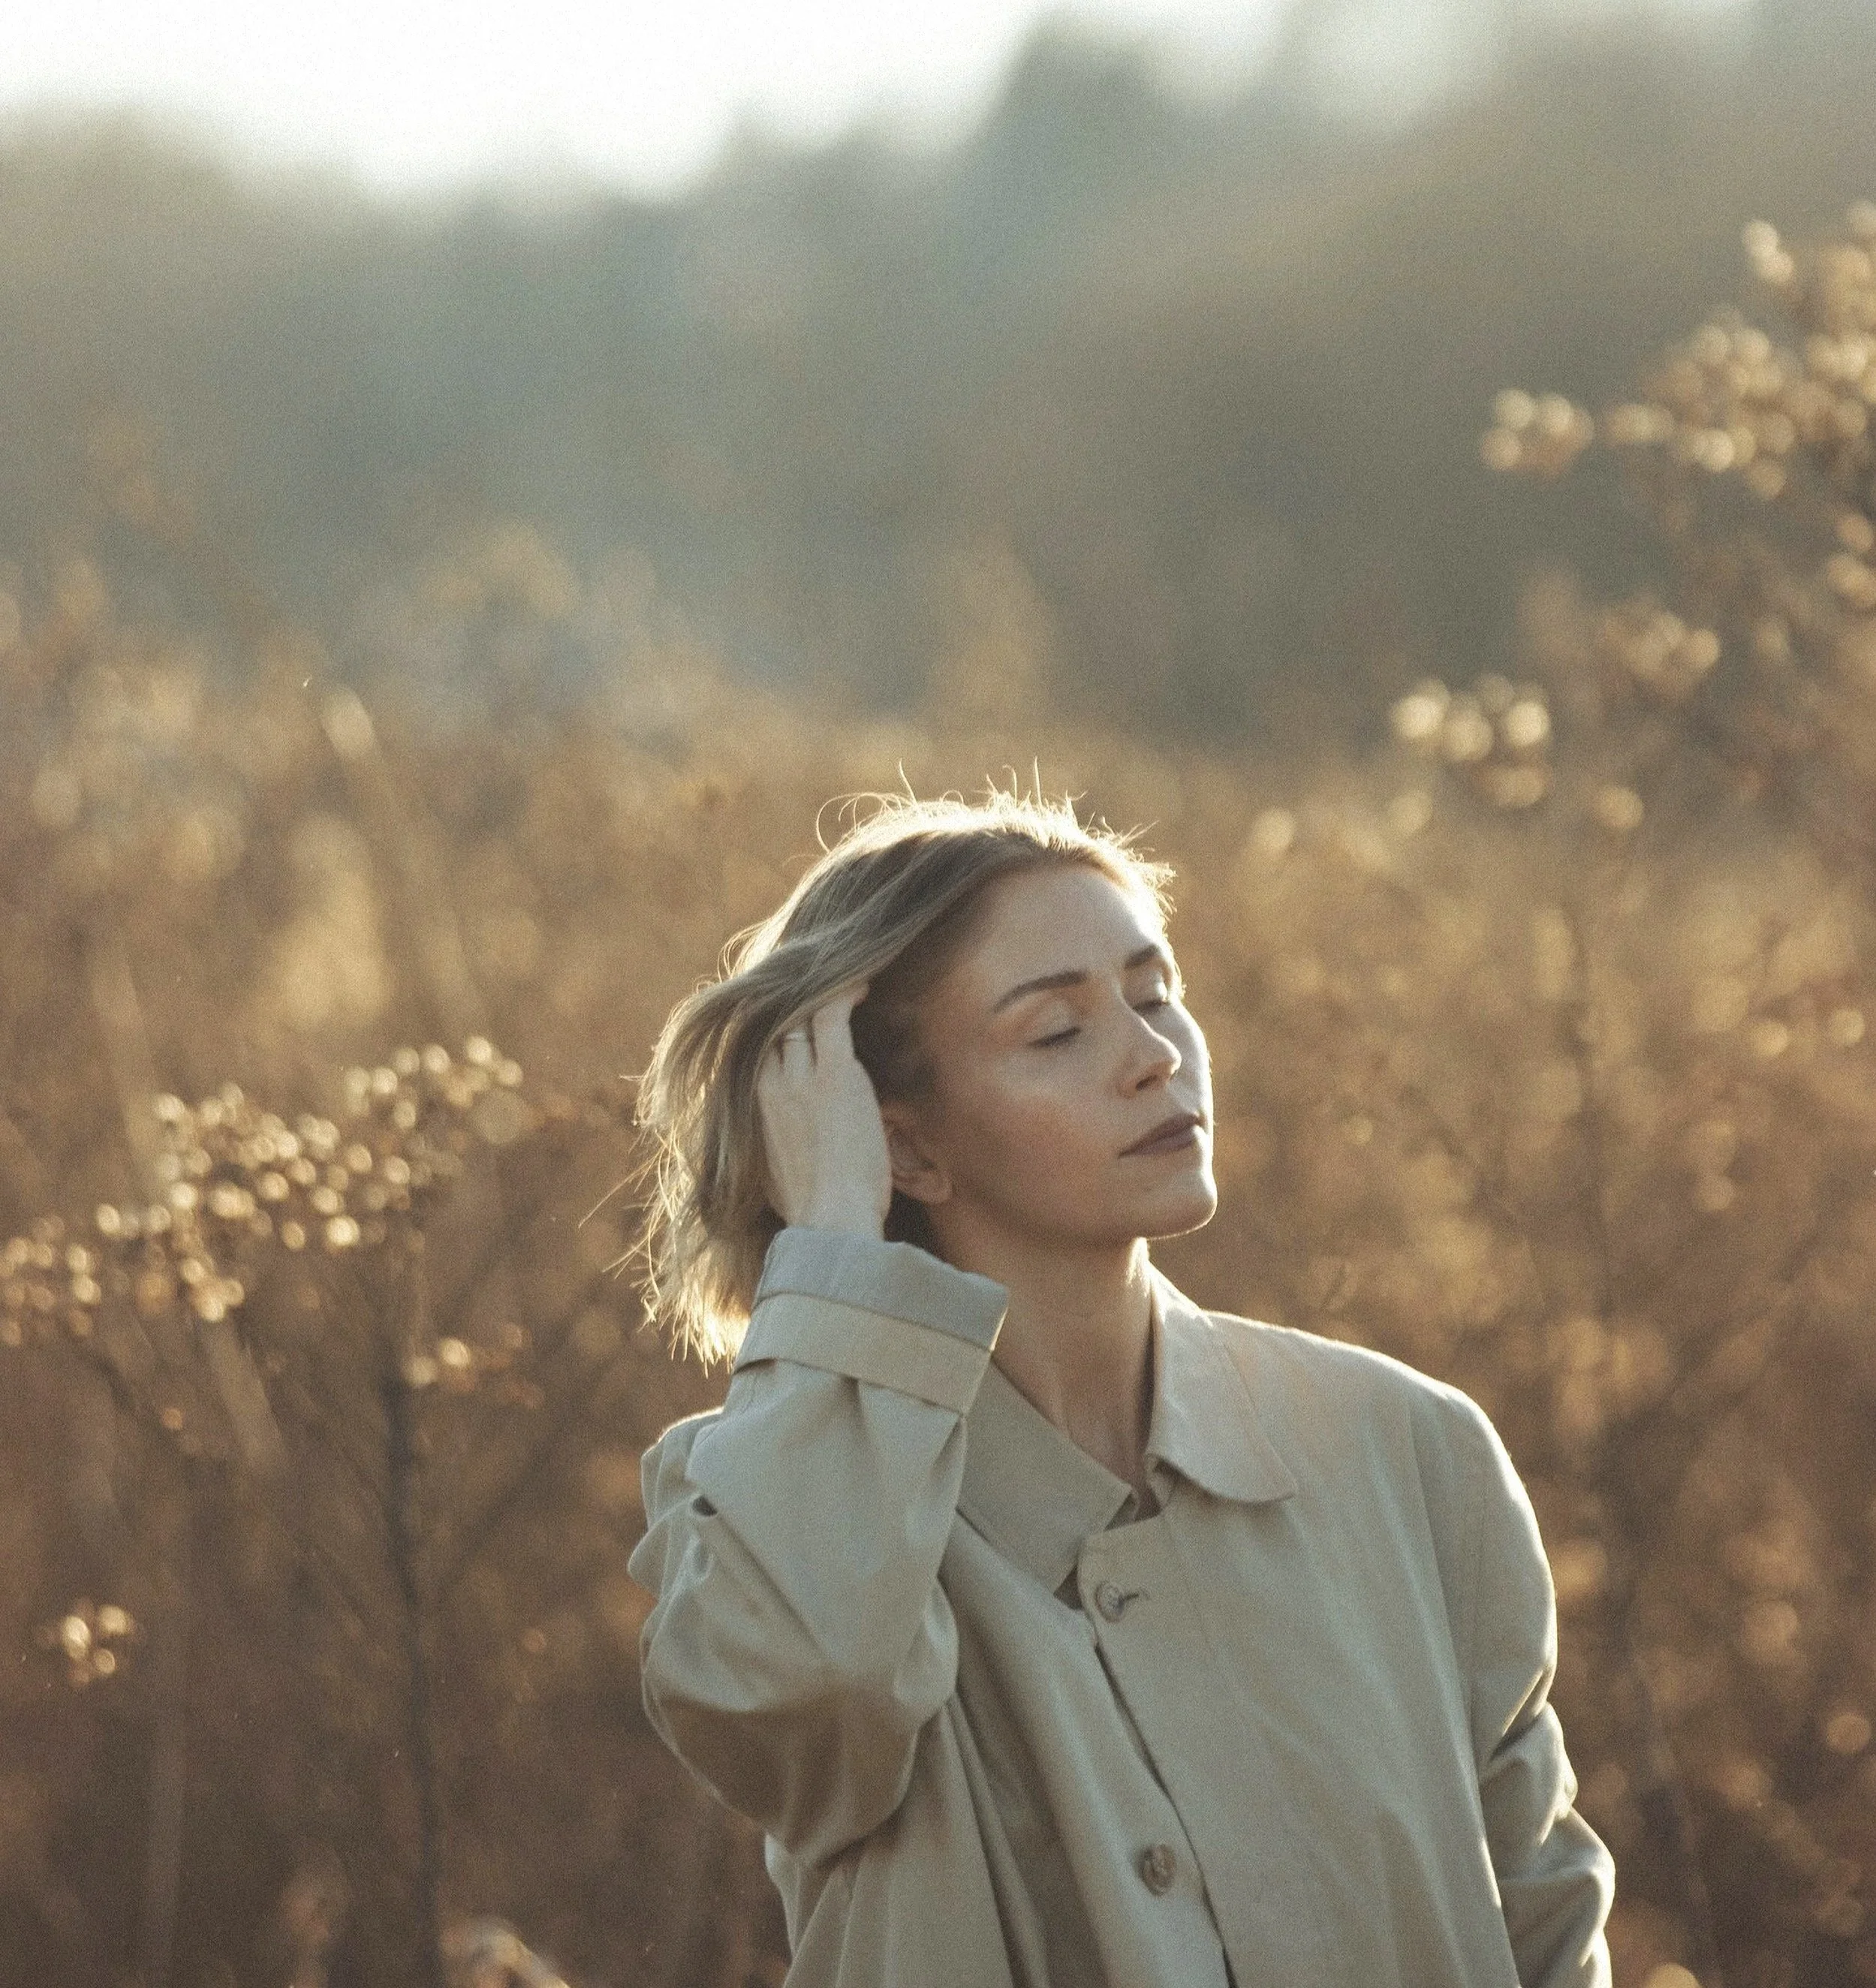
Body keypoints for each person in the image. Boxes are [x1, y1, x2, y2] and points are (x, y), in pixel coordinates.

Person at [625, 786, 1615, 1988]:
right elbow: (799, 1707)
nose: (1155, 1059)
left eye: (1157, 997)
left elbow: (1546, 1923)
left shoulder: (1407, 1449)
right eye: (1058, 1033)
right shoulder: (774, 1506)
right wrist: (831, 1242)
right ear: (906, 1145)